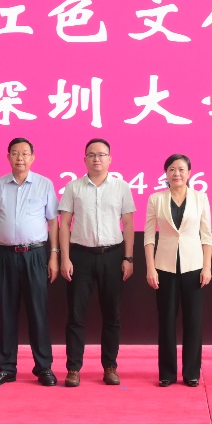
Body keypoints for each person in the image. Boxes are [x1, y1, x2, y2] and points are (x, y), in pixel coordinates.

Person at [0, 137, 59, 387]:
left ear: (32, 157)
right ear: (8, 157)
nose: (20, 158)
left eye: (25, 153)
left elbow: (53, 221)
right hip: (3, 255)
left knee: (38, 313)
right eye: (15, 153)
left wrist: (54, 255)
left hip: (35, 255)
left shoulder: (45, 184)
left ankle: (44, 368)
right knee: (6, 313)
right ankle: (6, 368)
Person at [57, 137, 136, 387]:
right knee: (76, 315)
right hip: (80, 256)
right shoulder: (73, 187)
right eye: (91, 155)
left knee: (112, 315)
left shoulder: (121, 187)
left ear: (110, 159)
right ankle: (73, 368)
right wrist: (65, 257)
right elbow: (64, 224)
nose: (97, 159)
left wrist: (128, 257)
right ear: (85, 159)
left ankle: (110, 366)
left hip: (112, 256)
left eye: (102, 155)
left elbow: (129, 224)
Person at [143, 153, 212, 387]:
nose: (177, 174)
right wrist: (150, 267)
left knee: (194, 321)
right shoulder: (156, 199)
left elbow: (207, 236)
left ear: (189, 173)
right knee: (166, 321)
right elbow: (149, 237)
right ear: (166, 173)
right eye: (172, 169)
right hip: (164, 267)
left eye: (181, 169)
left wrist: (207, 267)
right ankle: (167, 373)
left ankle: (192, 373)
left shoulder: (200, 198)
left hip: (194, 266)